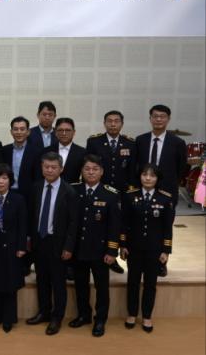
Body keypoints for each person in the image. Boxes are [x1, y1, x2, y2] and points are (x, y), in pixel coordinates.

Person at [26, 151, 78, 336]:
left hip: (58, 243)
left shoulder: (69, 191)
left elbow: (73, 223)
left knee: (58, 282)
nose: (49, 170)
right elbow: (31, 216)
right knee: (42, 279)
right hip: (39, 241)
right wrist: (29, 239)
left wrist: (68, 247)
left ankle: (57, 317)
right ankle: (44, 312)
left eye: (53, 167)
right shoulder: (35, 187)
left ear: (61, 169)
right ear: (42, 168)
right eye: (46, 167)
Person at [69, 155, 120, 337]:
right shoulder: (73, 190)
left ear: (101, 172)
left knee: (102, 287)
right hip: (78, 249)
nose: (91, 172)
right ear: (82, 171)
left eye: (95, 169)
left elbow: (114, 226)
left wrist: (112, 250)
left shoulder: (111, 194)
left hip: (100, 251)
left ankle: (100, 319)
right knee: (80, 285)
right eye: (87, 169)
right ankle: (84, 315)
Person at [121, 164, 174, 333]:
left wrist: (166, 250)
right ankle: (131, 314)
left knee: (150, 284)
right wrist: (123, 245)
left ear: (157, 179)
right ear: (140, 177)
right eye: (144, 174)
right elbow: (124, 223)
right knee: (133, 282)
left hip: (154, 250)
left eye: (152, 175)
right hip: (133, 248)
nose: (148, 178)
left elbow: (167, 227)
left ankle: (147, 316)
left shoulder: (165, 198)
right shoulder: (130, 196)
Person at [134, 105, 186, 277]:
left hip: (166, 192)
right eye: (155, 116)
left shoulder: (177, 143)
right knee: (143, 225)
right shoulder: (140, 140)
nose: (158, 119)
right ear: (150, 118)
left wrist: (170, 186)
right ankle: (142, 261)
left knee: (164, 227)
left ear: (168, 119)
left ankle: (161, 262)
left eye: (162, 116)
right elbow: (135, 166)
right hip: (143, 190)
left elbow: (181, 169)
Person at [85, 110, 136, 275]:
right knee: (100, 224)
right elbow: (89, 167)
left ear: (122, 123)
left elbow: (132, 171)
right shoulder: (94, 142)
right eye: (109, 121)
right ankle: (96, 256)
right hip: (102, 192)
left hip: (122, 193)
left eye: (116, 121)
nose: (113, 124)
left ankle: (114, 258)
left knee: (119, 225)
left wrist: (131, 192)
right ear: (104, 123)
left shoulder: (130, 143)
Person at [0, 163, 28, 333]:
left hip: (12, 247)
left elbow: (23, 226)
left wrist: (21, 247)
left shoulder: (18, 199)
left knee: (10, 284)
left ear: (10, 180)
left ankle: (9, 318)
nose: (0, 181)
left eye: (4, 178)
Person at [2, 116, 40, 201]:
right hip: (7, 193)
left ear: (28, 132)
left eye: (22, 129)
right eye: (15, 129)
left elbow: (38, 177)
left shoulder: (36, 152)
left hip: (28, 195)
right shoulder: (4, 150)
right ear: (11, 132)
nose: (19, 132)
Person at [46, 117, 86, 184]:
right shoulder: (46, 151)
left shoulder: (82, 152)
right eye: (60, 130)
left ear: (74, 132)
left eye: (67, 130)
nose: (64, 133)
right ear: (55, 132)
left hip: (73, 189)